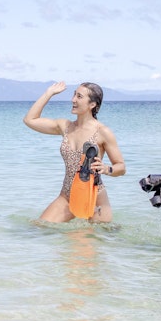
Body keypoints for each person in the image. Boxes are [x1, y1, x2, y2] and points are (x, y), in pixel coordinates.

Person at [24, 81, 126, 223]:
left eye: (79, 96)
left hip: (93, 199)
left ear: (92, 104)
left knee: (81, 242)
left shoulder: (103, 132)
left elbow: (121, 167)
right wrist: (49, 93)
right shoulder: (65, 126)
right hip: (66, 196)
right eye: (74, 95)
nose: (73, 100)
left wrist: (106, 169)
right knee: (38, 227)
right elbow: (30, 120)